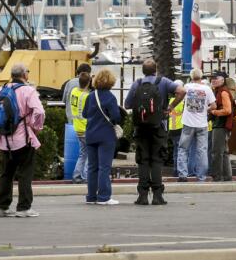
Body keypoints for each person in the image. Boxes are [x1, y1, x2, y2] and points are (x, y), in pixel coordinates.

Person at [0, 63, 45, 217]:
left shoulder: (2, 90)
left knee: (6, 173)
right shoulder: (28, 91)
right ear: (24, 75)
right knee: (25, 173)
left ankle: (2, 206)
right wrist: (35, 127)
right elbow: (40, 111)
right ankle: (23, 208)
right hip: (23, 138)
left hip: (4, 139)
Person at [124, 58, 178, 205]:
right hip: (159, 127)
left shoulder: (137, 84)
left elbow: (127, 104)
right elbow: (182, 91)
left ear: (143, 71)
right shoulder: (164, 82)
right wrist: (170, 107)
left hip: (141, 128)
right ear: (156, 70)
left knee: (143, 160)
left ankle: (142, 196)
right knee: (157, 160)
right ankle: (157, 196)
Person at [83, 68, 122, 206]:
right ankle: (104, 197)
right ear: (111, 81)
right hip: (106, 136)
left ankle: (91, 196)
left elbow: (84, 114)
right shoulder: (110, 97)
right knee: (104, 167)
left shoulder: (91, 96)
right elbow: (116, 117)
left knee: (92, 167)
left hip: (91, 134)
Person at [178, 69, 215, 183]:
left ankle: (183, 174)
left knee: (183, 149)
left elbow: (179, 96)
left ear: (191, 76)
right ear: (201, 76)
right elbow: (214, 106)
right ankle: (201, 177)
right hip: (202, 124)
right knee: (202, 151)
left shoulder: (187, 87)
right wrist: (205, 109)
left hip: (188, 123)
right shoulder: (207, 89)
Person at [209, 71, 235, 181]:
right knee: (223, 152)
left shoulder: (223, 92)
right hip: (222, 125)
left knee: (217, 152)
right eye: (212, 79)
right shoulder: (219, 91)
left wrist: (214, 112)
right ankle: (227, 176)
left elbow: (228, 110)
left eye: (216, 78)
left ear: (222, 80)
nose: (213, 80)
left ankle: (217, 176)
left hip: (221, 125)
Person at [69, 70, 91, 184]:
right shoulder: (87, 96)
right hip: (85, 128)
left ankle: (77, 175)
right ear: (88, 83)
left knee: (83, 153)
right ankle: (86, 176)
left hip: (76, 126)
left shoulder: (74, 91)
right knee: (89, 154)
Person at [167, 81, 186, 177]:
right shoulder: (182, 102)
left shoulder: (170, 101)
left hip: (172, 128)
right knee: (182, 151)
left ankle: (175, 170)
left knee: (176, 151)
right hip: (180, 127)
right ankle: (181, 171)